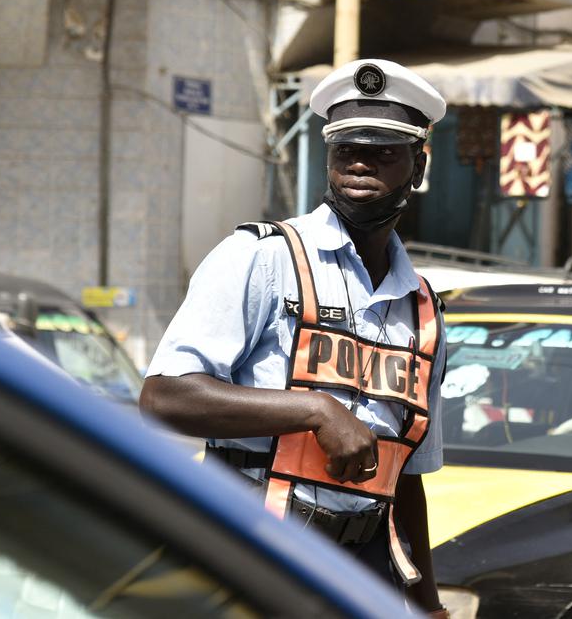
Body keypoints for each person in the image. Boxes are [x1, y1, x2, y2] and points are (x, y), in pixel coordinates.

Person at [141, 59, 449, 617]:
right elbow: (164, 397)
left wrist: (429, 608)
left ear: (419, 165)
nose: (360, 163)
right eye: (345, 150)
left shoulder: (423, 306)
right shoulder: (263, 257)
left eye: (383, 152)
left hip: (362, 566)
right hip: (253, 553)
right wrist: (315, 410)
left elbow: (406, 478)